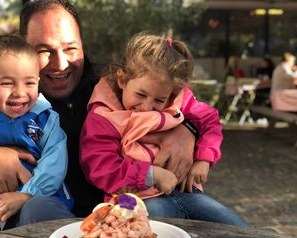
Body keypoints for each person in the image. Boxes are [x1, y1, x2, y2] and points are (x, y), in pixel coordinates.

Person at [0, 0, 196, 220]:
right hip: (22, 217)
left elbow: (179, 99)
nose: (60, 63)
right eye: (44, 50)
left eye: (70, 48)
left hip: (128, 207)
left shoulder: (114, 87)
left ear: (83, 43)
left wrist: (187, 129)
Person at [80, 33, 248, 226]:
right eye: (140, 94)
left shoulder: (176, 99)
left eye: (159, 100)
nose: (147, 107)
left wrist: (204, 158)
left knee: (238, 229)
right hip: (131, 200)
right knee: (161, 235)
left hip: (185, 191)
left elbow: (209, 120)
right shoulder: (103, 116)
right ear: (122, 80)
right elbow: (100, 167)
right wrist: (152, 175)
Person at [0, 34, 73, 238]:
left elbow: (54, 161)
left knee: (40, 210)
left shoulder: (44, 118)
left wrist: (26, 194)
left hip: (33, 201)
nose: (20, 92)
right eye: (7, 83)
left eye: (29, 83)